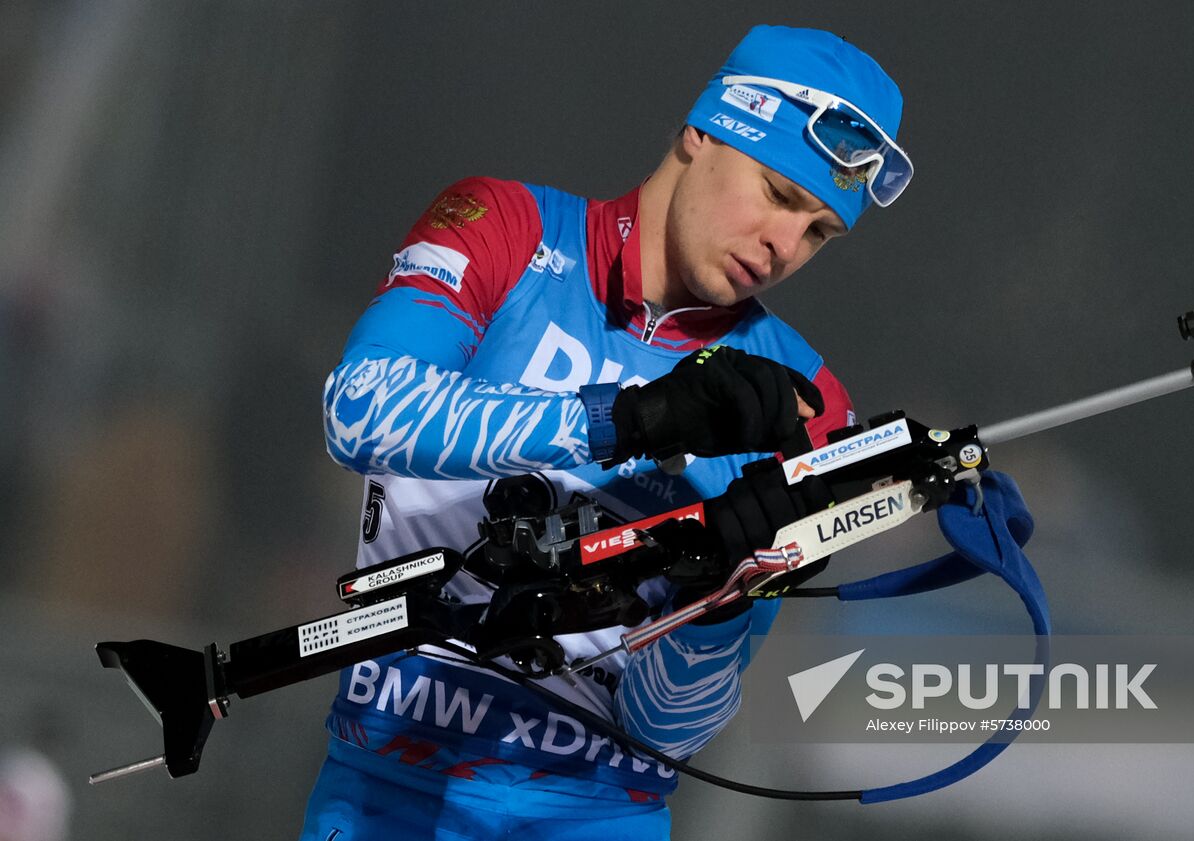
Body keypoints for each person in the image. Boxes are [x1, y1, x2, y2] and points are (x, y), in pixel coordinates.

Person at [303, 24, 912, 841]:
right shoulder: (503, 225)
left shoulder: (803, 404)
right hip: (387, 792)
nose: (783, 246)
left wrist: (718, 599)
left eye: (818, 233)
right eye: (777, 193)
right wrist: (627, 417)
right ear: (703, 130)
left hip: (589, 816)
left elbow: (674, 730)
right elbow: (362, 408)